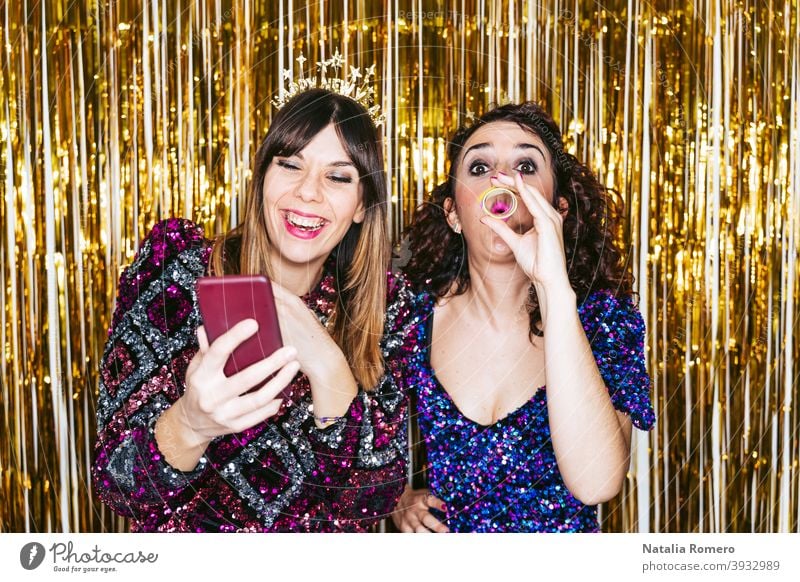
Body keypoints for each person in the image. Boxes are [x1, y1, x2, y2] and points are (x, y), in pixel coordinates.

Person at [92, 88, 423, 532]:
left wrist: (327, 365)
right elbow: (118, 488)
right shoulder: (178, 270)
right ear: (263, 175)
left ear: (363, 205)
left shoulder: (387, 305)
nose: (308, 192)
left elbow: (372, 499)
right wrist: (191, 423)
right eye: (290, 164)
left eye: (338, 177)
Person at [394, 102, 656, 533]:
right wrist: (397, 496)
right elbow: (351, 445)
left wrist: (553, 286)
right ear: (454, 214)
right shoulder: (408, 318)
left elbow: (596, 483)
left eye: (525, 165)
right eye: (480, 167)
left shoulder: (603, 320)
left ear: (559, 209)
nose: (503, 180)